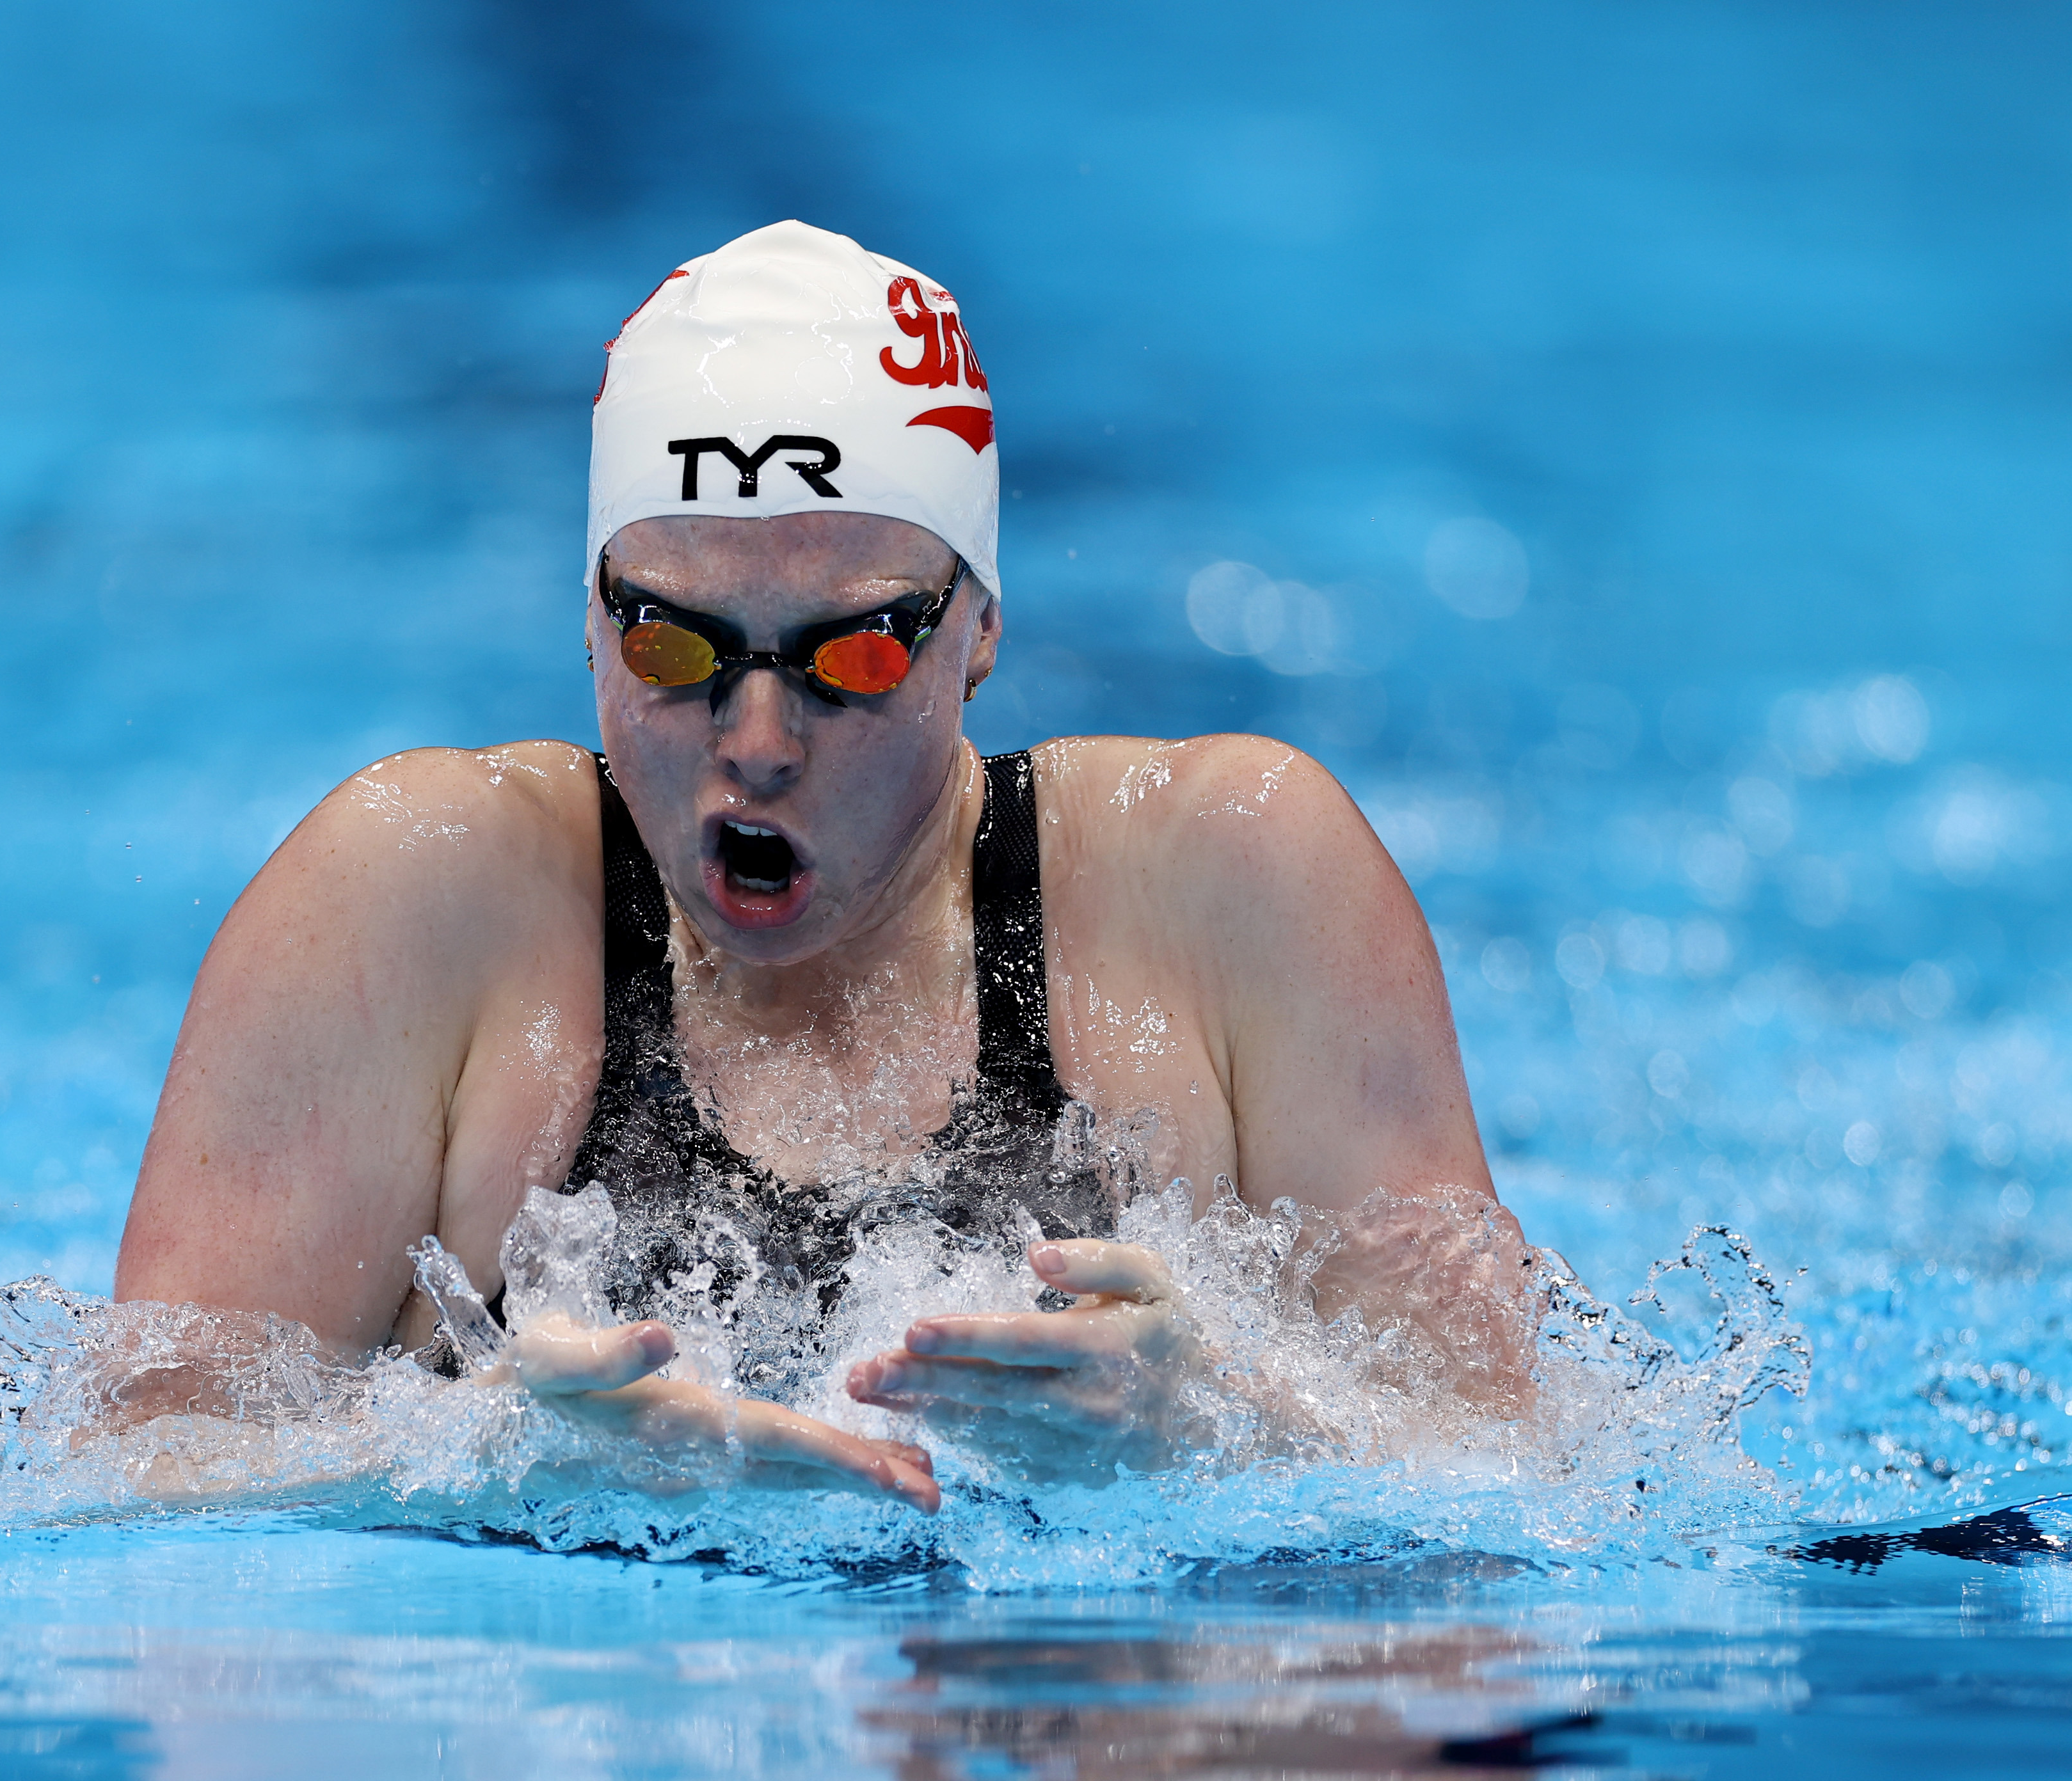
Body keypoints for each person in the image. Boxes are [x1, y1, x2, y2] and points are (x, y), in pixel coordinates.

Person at [112, 221, 1535, 1516]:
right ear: (591, 616)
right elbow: (109, 1494)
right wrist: (493, 1466)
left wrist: (1222, 1425)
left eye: (853, 655)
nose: (759, 740)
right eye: (674, 644)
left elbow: (1535, 1495)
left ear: (978, 627)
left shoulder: (1236, 883)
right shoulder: (412, 898)